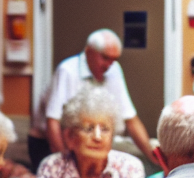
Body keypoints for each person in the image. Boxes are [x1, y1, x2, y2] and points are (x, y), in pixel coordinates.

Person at [42, 27, 157, 162]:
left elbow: (130, 119)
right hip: (49, 141)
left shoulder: (114, 69)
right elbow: (53, 122)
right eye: (105, 58)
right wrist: (64, 163)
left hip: (86, 145)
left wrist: (152, 156)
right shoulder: (67, 71)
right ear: (88, 51)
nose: (109, 65)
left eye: (114, 60)